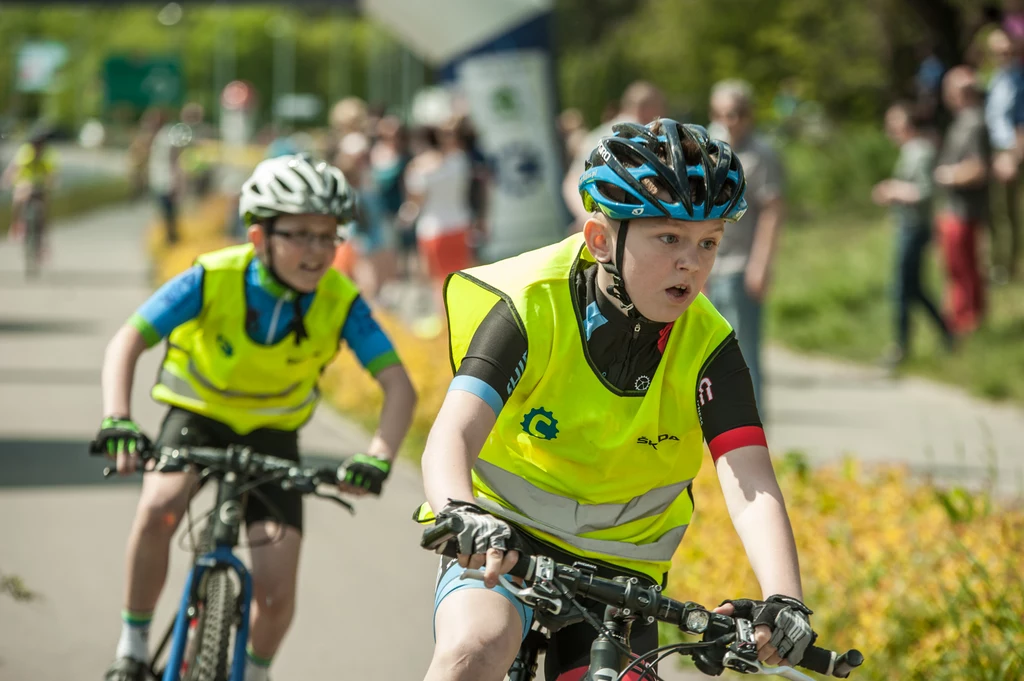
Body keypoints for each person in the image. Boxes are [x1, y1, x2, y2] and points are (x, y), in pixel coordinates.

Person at [417, 119, 813, 681]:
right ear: (601, 239)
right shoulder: (531, 304)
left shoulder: (709, 343)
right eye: (669, 238)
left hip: (623, 567)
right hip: (504, 538)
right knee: (476, 649)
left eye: (709, 243)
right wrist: (460, 512)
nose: (691, 263)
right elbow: (452, 433)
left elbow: (750, 483)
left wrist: (785, 599)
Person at [93, 154, 417, 681]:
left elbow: (398, 385)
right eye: (300, 235)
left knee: (275, 583)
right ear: (258, 235)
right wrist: (118, 419)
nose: (317, 251)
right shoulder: (211, 276)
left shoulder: (339, 299)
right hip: (197, 418)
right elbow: (128, 340)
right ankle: (131, 646)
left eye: (328, 236)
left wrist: (378, 457)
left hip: (273, 436)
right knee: (159, 509)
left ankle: (254, 671)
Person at [705, 79, 785, 413]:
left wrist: (761, 263)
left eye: (735, 113)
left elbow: (772, 210)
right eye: (721, 113)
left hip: (741, 266)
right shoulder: (709, 146)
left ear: (749, 114)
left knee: (744, 353)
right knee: (708, 351)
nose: (729, 121)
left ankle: (754, 429)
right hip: (708, 264)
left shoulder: (761, 154)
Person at [872, 102, 953, 367]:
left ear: (907, 124)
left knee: (901, 290)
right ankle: (948, 333)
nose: (889, 130)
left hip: (915, 229)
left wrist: (893, 190)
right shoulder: (911, 151)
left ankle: (900, 349)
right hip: (908, 227)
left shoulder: (920, 152)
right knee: (914, 288)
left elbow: (926, 192)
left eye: (893, 124)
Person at [561, 81, 666, 229]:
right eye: (660, 107)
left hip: (605, 225)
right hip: (630, 226)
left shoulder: (598, 134)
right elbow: (573, 180)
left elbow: (572, 181)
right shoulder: (647, 136)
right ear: (647, 108)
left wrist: (589, 215)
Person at [934, 66, 991, 335]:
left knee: (963, 271)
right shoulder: (963, 120)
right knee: (960, 270)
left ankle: (965, 325)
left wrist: (948, 175)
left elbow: (978, 169)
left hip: (964, 210)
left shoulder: (974, 123)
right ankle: (968, 323)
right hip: (955, 209)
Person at [984, 28, 1024, 281]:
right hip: (995, 148)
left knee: (1012, 212)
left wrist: (1012, 155)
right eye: (997, 52)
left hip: (1011, 150)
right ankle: (999, 263)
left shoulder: (1020, 79)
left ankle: (1010, 266)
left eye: (1007, 51)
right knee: (996, 210)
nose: (1003, 55)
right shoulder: (997, 78)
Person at [2, 123, 58, 240]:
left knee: (45, 201)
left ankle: (43, 228)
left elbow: (52, 172)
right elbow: (14, 167)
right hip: (25, 181)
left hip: (40, 183)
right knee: (18, 198)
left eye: (40, 144)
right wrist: (7, 179)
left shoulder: (47, 153)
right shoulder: (26, 151)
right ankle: (15, 225)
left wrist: (51, 182)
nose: (38, 147)